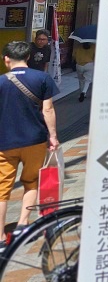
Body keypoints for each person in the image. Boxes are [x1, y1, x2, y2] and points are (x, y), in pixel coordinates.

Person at [0, 41, 59, 243]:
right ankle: (23, 225)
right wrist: (52, 136)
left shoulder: (0, 82)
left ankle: (0, 236)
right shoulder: (42, 78)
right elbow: (48, 110)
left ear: (6, 59)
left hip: (5, 142)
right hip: (35, 140)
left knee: (2, 188)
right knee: (31, 182)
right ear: (27, 58)